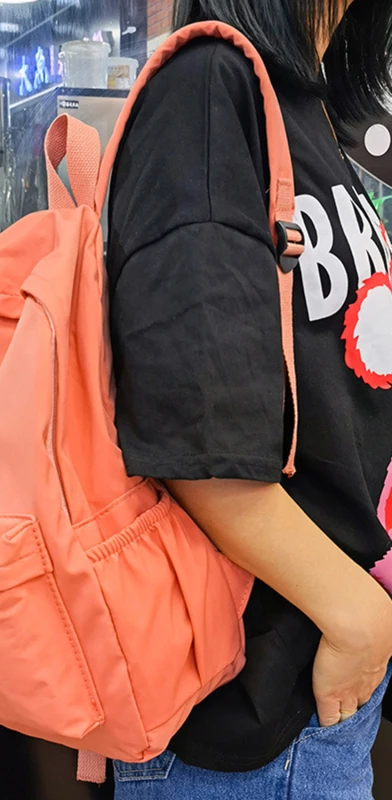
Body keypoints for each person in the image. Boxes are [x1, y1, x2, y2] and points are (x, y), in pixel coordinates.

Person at [106, 0, 392, 797]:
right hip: (250, 709)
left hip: (307, 686)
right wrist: (355, 616)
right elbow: (193, 429)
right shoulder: (210, 85)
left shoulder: (305, 102)